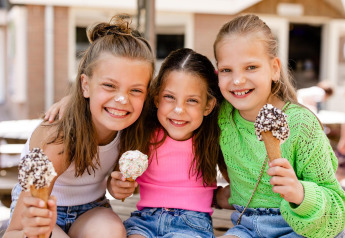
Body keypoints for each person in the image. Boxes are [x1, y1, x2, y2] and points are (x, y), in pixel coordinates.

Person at [4, 14, 154, 238]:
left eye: (135, 90)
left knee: (112, 232)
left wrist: (116, 187)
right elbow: (13, 233)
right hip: (44, 211)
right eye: (109, 85)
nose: (122, 99)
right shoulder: (58, 140)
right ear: (85, 85)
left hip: (91, 210)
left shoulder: (132, 129)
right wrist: (36, 229)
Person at [213, 14, 345, 238]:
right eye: (226, 70)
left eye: (251, 67)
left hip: (301, 228)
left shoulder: (302, 125)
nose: (237, 80)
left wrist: (301, 193)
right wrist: (218, 195)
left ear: (274, 68)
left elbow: (336, 210)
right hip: (247, 226)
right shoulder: (223, 117)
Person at [108, 48, 225, 238]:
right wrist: (115, 187)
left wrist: (221, 196)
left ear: (208, 106)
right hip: (144, 220)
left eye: (192, 100)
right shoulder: (142, 132)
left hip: (192, 225)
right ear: (156, 97)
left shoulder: (212, 137)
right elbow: (117, 184)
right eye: (169, 97)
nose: (179, 110)